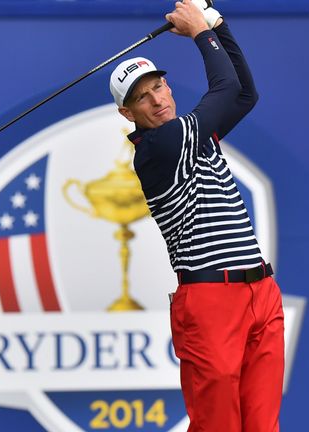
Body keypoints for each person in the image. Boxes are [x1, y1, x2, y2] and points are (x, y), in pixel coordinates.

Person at [109, 1, 283, 430]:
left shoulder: (195, 134)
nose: (156, 99)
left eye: (158, 87)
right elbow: (223, 89)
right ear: (127, 114)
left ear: (168, 88)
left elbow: (244, 93)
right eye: (141, 97)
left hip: (261, 290)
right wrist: (200, 32)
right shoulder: (159, 147)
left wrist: (218, 24)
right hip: (209, 301)